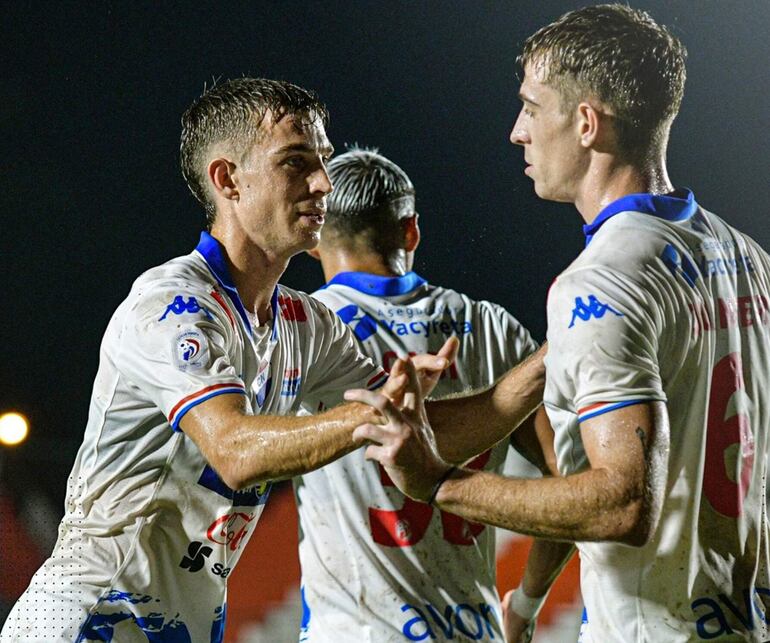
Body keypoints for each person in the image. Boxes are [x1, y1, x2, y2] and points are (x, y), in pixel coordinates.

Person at [347, 5, 770, 642]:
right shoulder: (748, 257)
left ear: (586, 123)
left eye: (531, 107)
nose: (517, 131)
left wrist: (441, 484)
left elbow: (623, 502)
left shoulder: (598, 282)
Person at [0, 78, 459, 643]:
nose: (323, 182)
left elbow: (421, 429)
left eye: (324, 161)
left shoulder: (307, 323)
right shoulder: (172, 304)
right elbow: (236, 451)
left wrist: (538, 373)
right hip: (87, 621)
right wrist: (374, 414)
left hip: (183, 627)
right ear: (228, 180)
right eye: (296, 162)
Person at [295, 147, 551, 641]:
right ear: (411, 231)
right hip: (473, 632)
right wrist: (525, 603)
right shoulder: (492, 327)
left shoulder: (306, 328)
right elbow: (569, 474)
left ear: (315, 239)